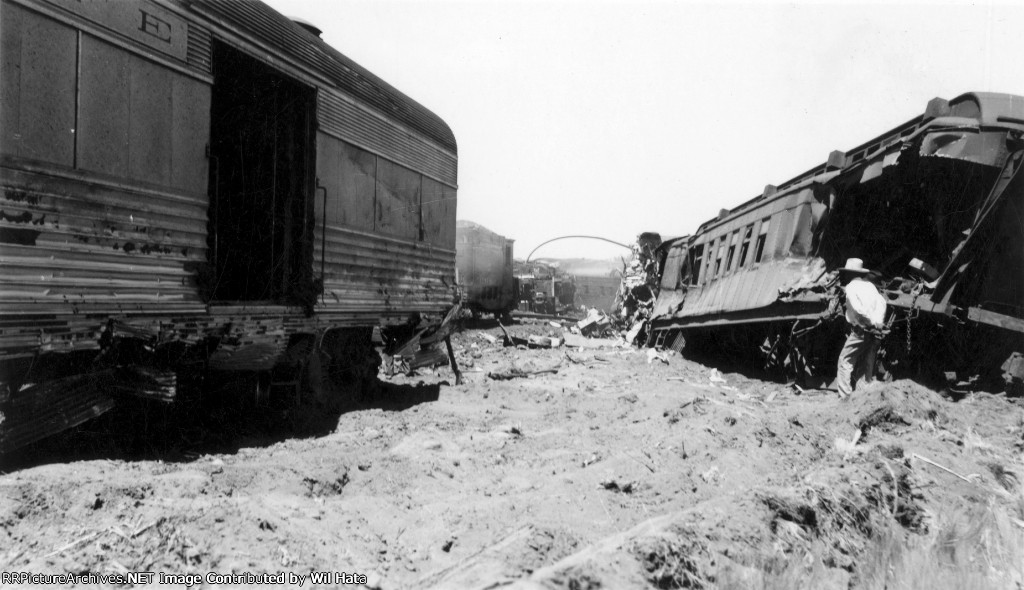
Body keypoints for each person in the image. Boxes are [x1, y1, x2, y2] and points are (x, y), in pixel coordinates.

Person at [836, 258, 887, 398]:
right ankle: (864, 397)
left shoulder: (851, 287)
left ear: (849, 274)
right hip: (874, 331)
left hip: (861, 330)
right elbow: (882, 303)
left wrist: (868, 322)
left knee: (845, 360)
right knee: (867, 365)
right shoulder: (870, 286)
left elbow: (858, 310)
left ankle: (845, 396)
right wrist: (877, 322)